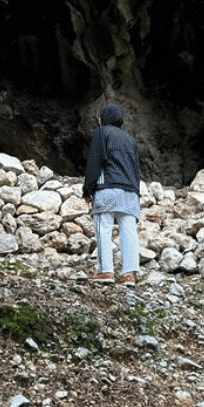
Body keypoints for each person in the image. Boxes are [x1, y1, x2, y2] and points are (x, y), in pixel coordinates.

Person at [82, 103, 141, 285]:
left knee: (103, 228)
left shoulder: (102, 132)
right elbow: (136, 169)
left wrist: (87, 189)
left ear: (104, 118)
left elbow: (95, 162)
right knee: (129, 231)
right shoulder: (131, 139)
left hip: (107, 188)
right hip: (131, 192)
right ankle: (129, 274)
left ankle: (106, 271)